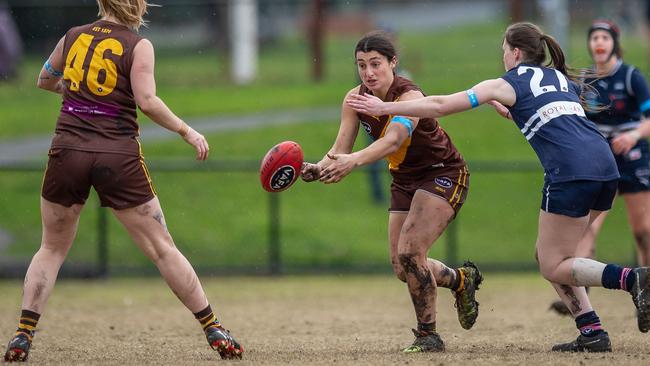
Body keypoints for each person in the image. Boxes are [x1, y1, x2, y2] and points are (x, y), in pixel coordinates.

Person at [346, 22, 650, 353]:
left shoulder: (507, 82)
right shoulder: (558, 77)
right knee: (550, 255)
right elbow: (551, 114)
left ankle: (631, 278)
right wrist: (511, 111)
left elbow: (439, 105)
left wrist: (385, 107)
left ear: (515, 52)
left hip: (571, 172)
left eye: (504, 50)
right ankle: (592, 332)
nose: (503, 56)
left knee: (553, 263)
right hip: (605, 167)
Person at [3, 0, 242, 362]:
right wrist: (186, 130)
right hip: (117, 154)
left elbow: (44, 79)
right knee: (162, 249)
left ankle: (23, 334)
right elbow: (146, 101)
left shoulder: (72, 37)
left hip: (67, 150)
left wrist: (81, 97)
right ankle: (213, 327)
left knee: (51, 249)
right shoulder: (137, 45)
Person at [300, 30, 483, 353]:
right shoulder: (354, 99)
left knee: (411, 252)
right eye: (361, 65)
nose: (368, 73)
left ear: (393, 63)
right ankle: (461, 280)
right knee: (403, 266)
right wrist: (318, 167)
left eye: (375, 64)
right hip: (405, 180)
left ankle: (428, 336)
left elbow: (394, 140)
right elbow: (339, 149)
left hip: (442, 173)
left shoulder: (409, 97)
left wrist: (353, 161)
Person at [550, 19, 650, 316]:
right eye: (594, 38)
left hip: (633, 157)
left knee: (643, 231)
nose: (599, 43)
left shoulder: (632, 77)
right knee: (585, 231)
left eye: (604, 37)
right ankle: (581, 298)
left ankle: (647, 292)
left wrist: (632, 135)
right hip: (599, 159)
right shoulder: (585, 80)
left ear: (614, 43)